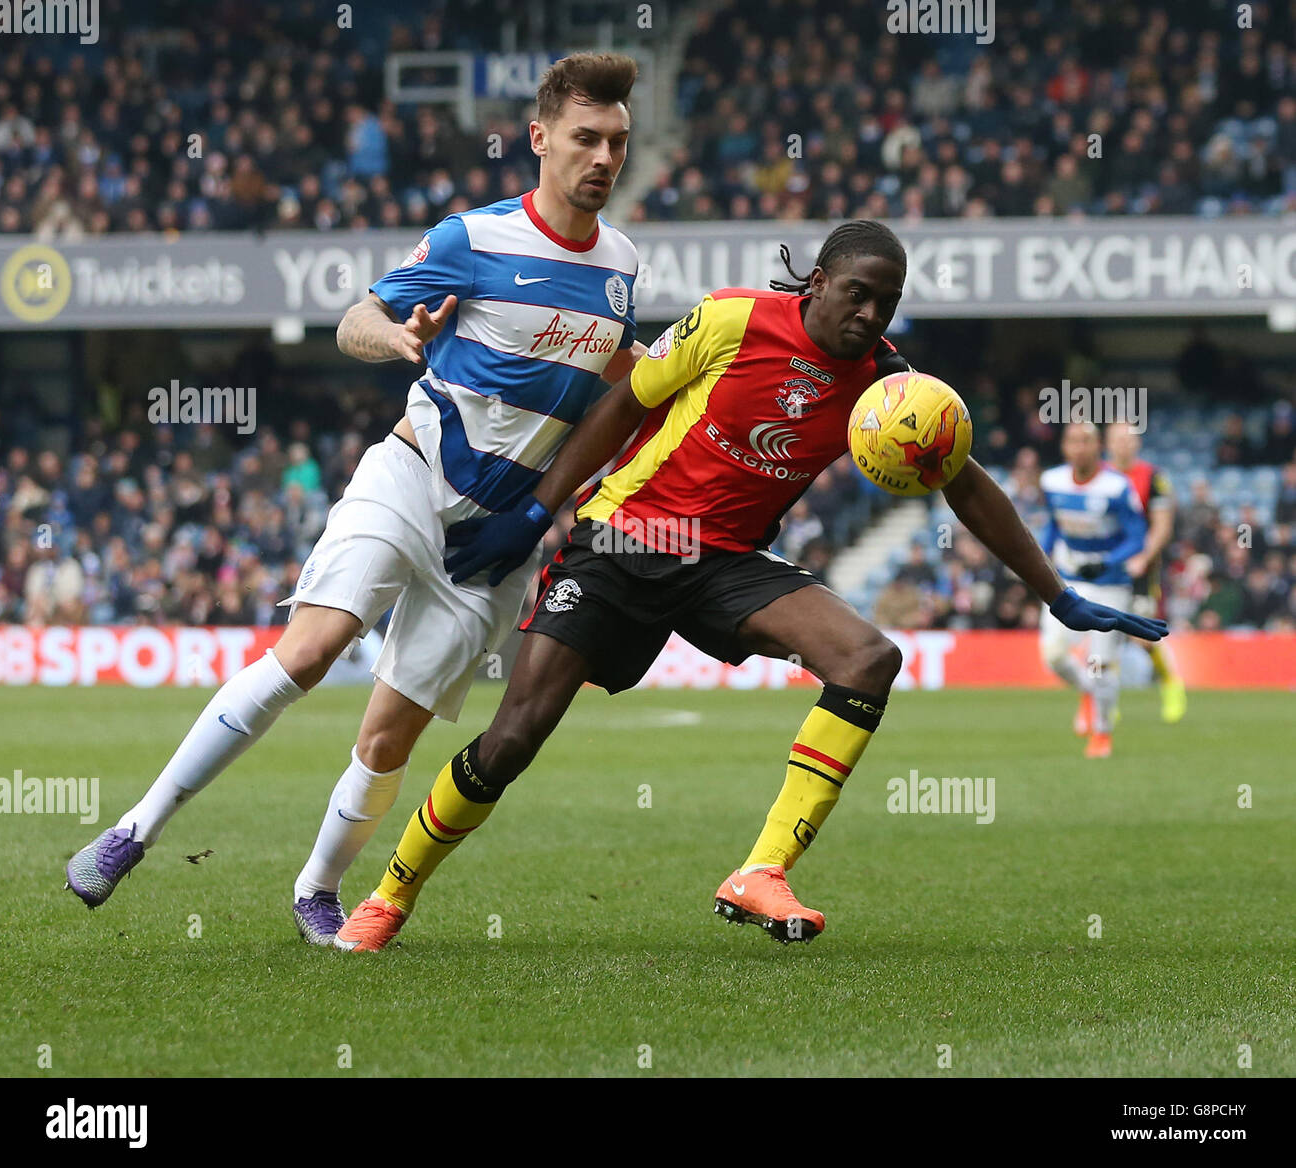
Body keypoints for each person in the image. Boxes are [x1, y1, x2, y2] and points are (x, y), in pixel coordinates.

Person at [329, 222, 1167, 952]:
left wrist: (1053, 592)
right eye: (858, 294)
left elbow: (966, 481)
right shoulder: (732, 319)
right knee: (513, 738)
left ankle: (762, 870)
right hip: (625, 539)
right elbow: (625, 402)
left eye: (887, 300)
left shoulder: (887, 383)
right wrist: (544, 510)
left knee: (868, 659)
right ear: (818, 282)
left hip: (725, 561)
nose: (870, 314)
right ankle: (390, 894)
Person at [64, 53, 646, 947]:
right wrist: (401, 339)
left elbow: (611, 371)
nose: (603, 156)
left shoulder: (622, 265)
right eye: (584, 138)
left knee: (387, 740)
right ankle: (134, 829)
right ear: (539, 139)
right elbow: (355, 320)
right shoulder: (471, 238)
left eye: (616, 140)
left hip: (498, 537)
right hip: (411, 475)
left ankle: (317, 889)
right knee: (312, 649)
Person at [1039, 422, 1149, 758]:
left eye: (1086, 441)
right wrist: (1040, 561)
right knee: (1053, 655)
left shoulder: (1117, 487)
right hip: (1067, 581)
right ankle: (1089, 692)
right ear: (1064, 446)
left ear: (1098, 446)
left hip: (1110, 584)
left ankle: (1101, 733)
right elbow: (1053, 527)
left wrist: (1108, 562)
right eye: (1073, 441)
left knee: (1101, 662)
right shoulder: (1052, 481)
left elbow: (1136, 536)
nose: (1080, 448)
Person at [1105, 421, 1187, 723]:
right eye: (1118, 439)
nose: (1124, 445)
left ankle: (1170, 683)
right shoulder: (1100, 475)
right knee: (1104, 636)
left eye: (1129, 439)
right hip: (1106, 568)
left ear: (1137, 444)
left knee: (1142, 636)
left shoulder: (1153, 478)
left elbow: (1162, 525)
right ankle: (1105, 702)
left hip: (1140, 569)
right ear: (1107, 443)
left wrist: (1143, 557)